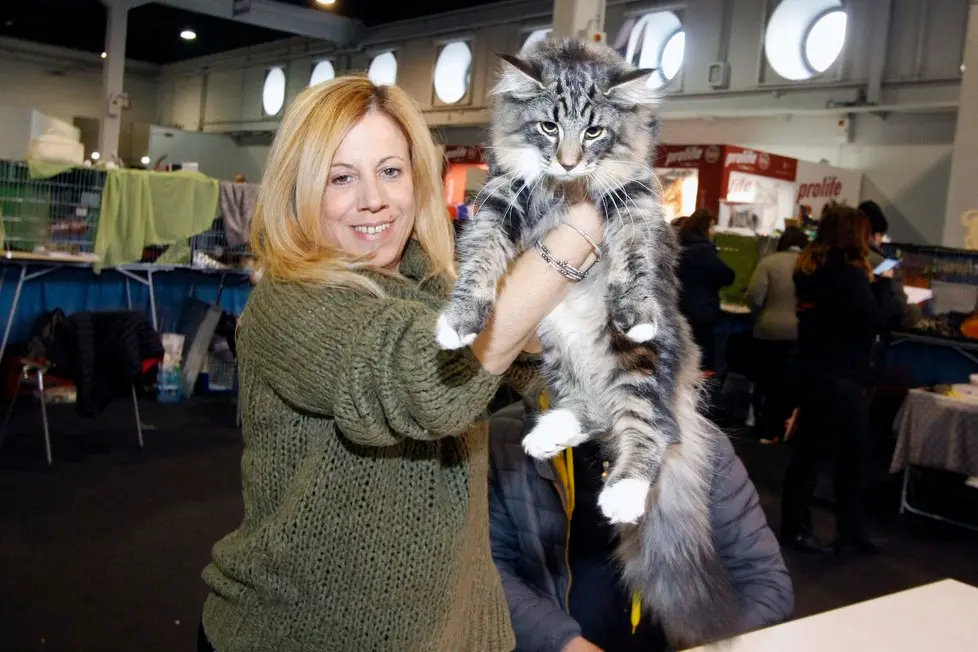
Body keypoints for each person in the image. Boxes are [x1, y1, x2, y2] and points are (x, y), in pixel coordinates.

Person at [197, 77, 606, 652]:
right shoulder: (291, 303)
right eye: (341, 178)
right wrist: (577, 233)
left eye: (390, 170)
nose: (374, 199)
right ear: (301, 189)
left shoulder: (432, 284)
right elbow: (425, 379)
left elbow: (514, 367)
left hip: (451, 630)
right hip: (301, 634)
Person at [489, 400, 793, 652]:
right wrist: (561, 642)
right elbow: (487, 570)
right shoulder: (506, 438)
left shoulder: (702, 445)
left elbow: (765, 580)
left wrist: (708, 646)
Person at [779, 204, 894, 555]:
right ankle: (844, 530)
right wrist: (884, 287)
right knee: (851, 452)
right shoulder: (847, 274)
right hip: (839, 374)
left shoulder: (811, 269)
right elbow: (873, 321)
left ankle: (801, 526)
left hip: (813, 368)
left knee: (812, 451)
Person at [745, 226, 809, 441]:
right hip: (800, 332)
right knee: (790, 385)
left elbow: (754, 295)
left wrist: (760, 313)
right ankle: (785, 427)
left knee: (765, 382)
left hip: (768, 331)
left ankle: (762, 427)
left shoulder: (769, 262)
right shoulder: (809, 265)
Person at [677, 209, 736, 370]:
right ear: (704, 227)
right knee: (705, 362)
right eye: (712, 226)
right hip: (701, 313)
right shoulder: (705, 251)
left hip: (679, 310)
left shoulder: (679, 247)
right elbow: (726, 276)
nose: (713, 231)